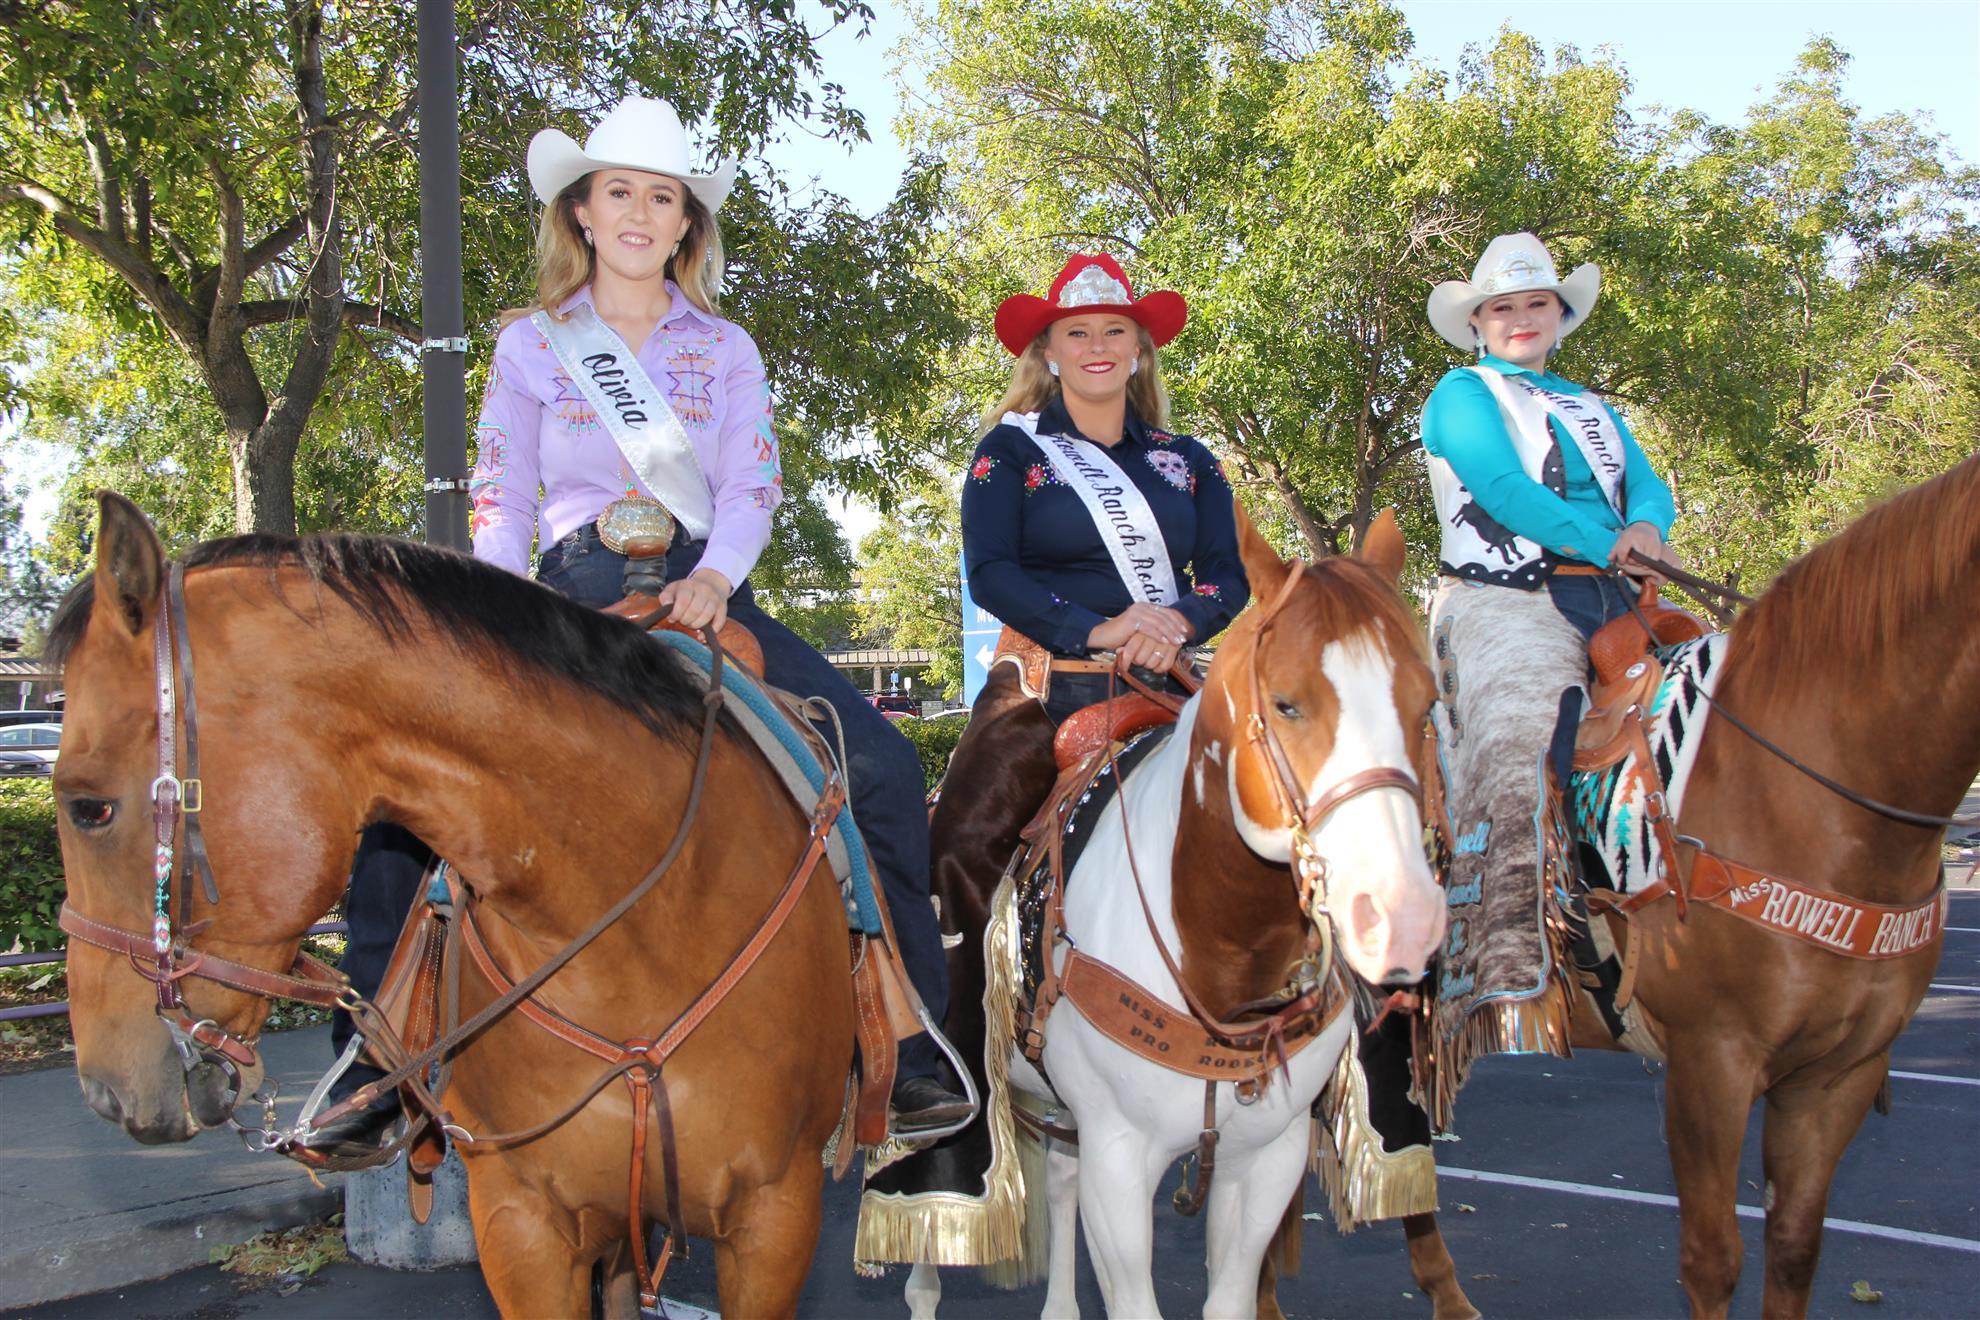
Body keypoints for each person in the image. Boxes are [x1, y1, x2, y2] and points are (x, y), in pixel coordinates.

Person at [312, 95, 966, 1153]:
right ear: (581, 212)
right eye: (620, 190)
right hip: (562, 593)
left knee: (884, 769)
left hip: (713, 589)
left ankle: (913, 1039)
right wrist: (501, 612)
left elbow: (754, 485)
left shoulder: (728, 349)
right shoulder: (531, 346)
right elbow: (503, 496)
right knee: (406, 793)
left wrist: (716, 578)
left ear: (682, 227)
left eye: (662, 198)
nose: (639, 212)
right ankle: (375, 1059)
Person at [859, 254, 1247, 1241]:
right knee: (955, 842)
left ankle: (1324, 1072)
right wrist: (1100, 627)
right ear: (1049, 349)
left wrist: (1172, 618)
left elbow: (1231, 579)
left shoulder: (1189, 460)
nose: (1098, 347)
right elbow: (992, 572)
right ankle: (946, 1110)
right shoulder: (1012, 451)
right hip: (1045, 680)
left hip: (1169, 681)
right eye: (1078, 333)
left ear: (1140, 347)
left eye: (1116, 331)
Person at [1418, 231, 1678, 1064]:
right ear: (1479, 324)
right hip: (1505, 596)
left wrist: (1649, 528)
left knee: (1726, 694)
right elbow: (1501, 489)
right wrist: (1605, 543)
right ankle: (1504, 960)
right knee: (1525, 732)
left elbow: (1647, 481)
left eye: (1537, 304)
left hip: (1612, 588)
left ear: (1560, 317)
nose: (1522, 318)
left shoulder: (1591, 407)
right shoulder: (1460, 395)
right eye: (1504, 307)